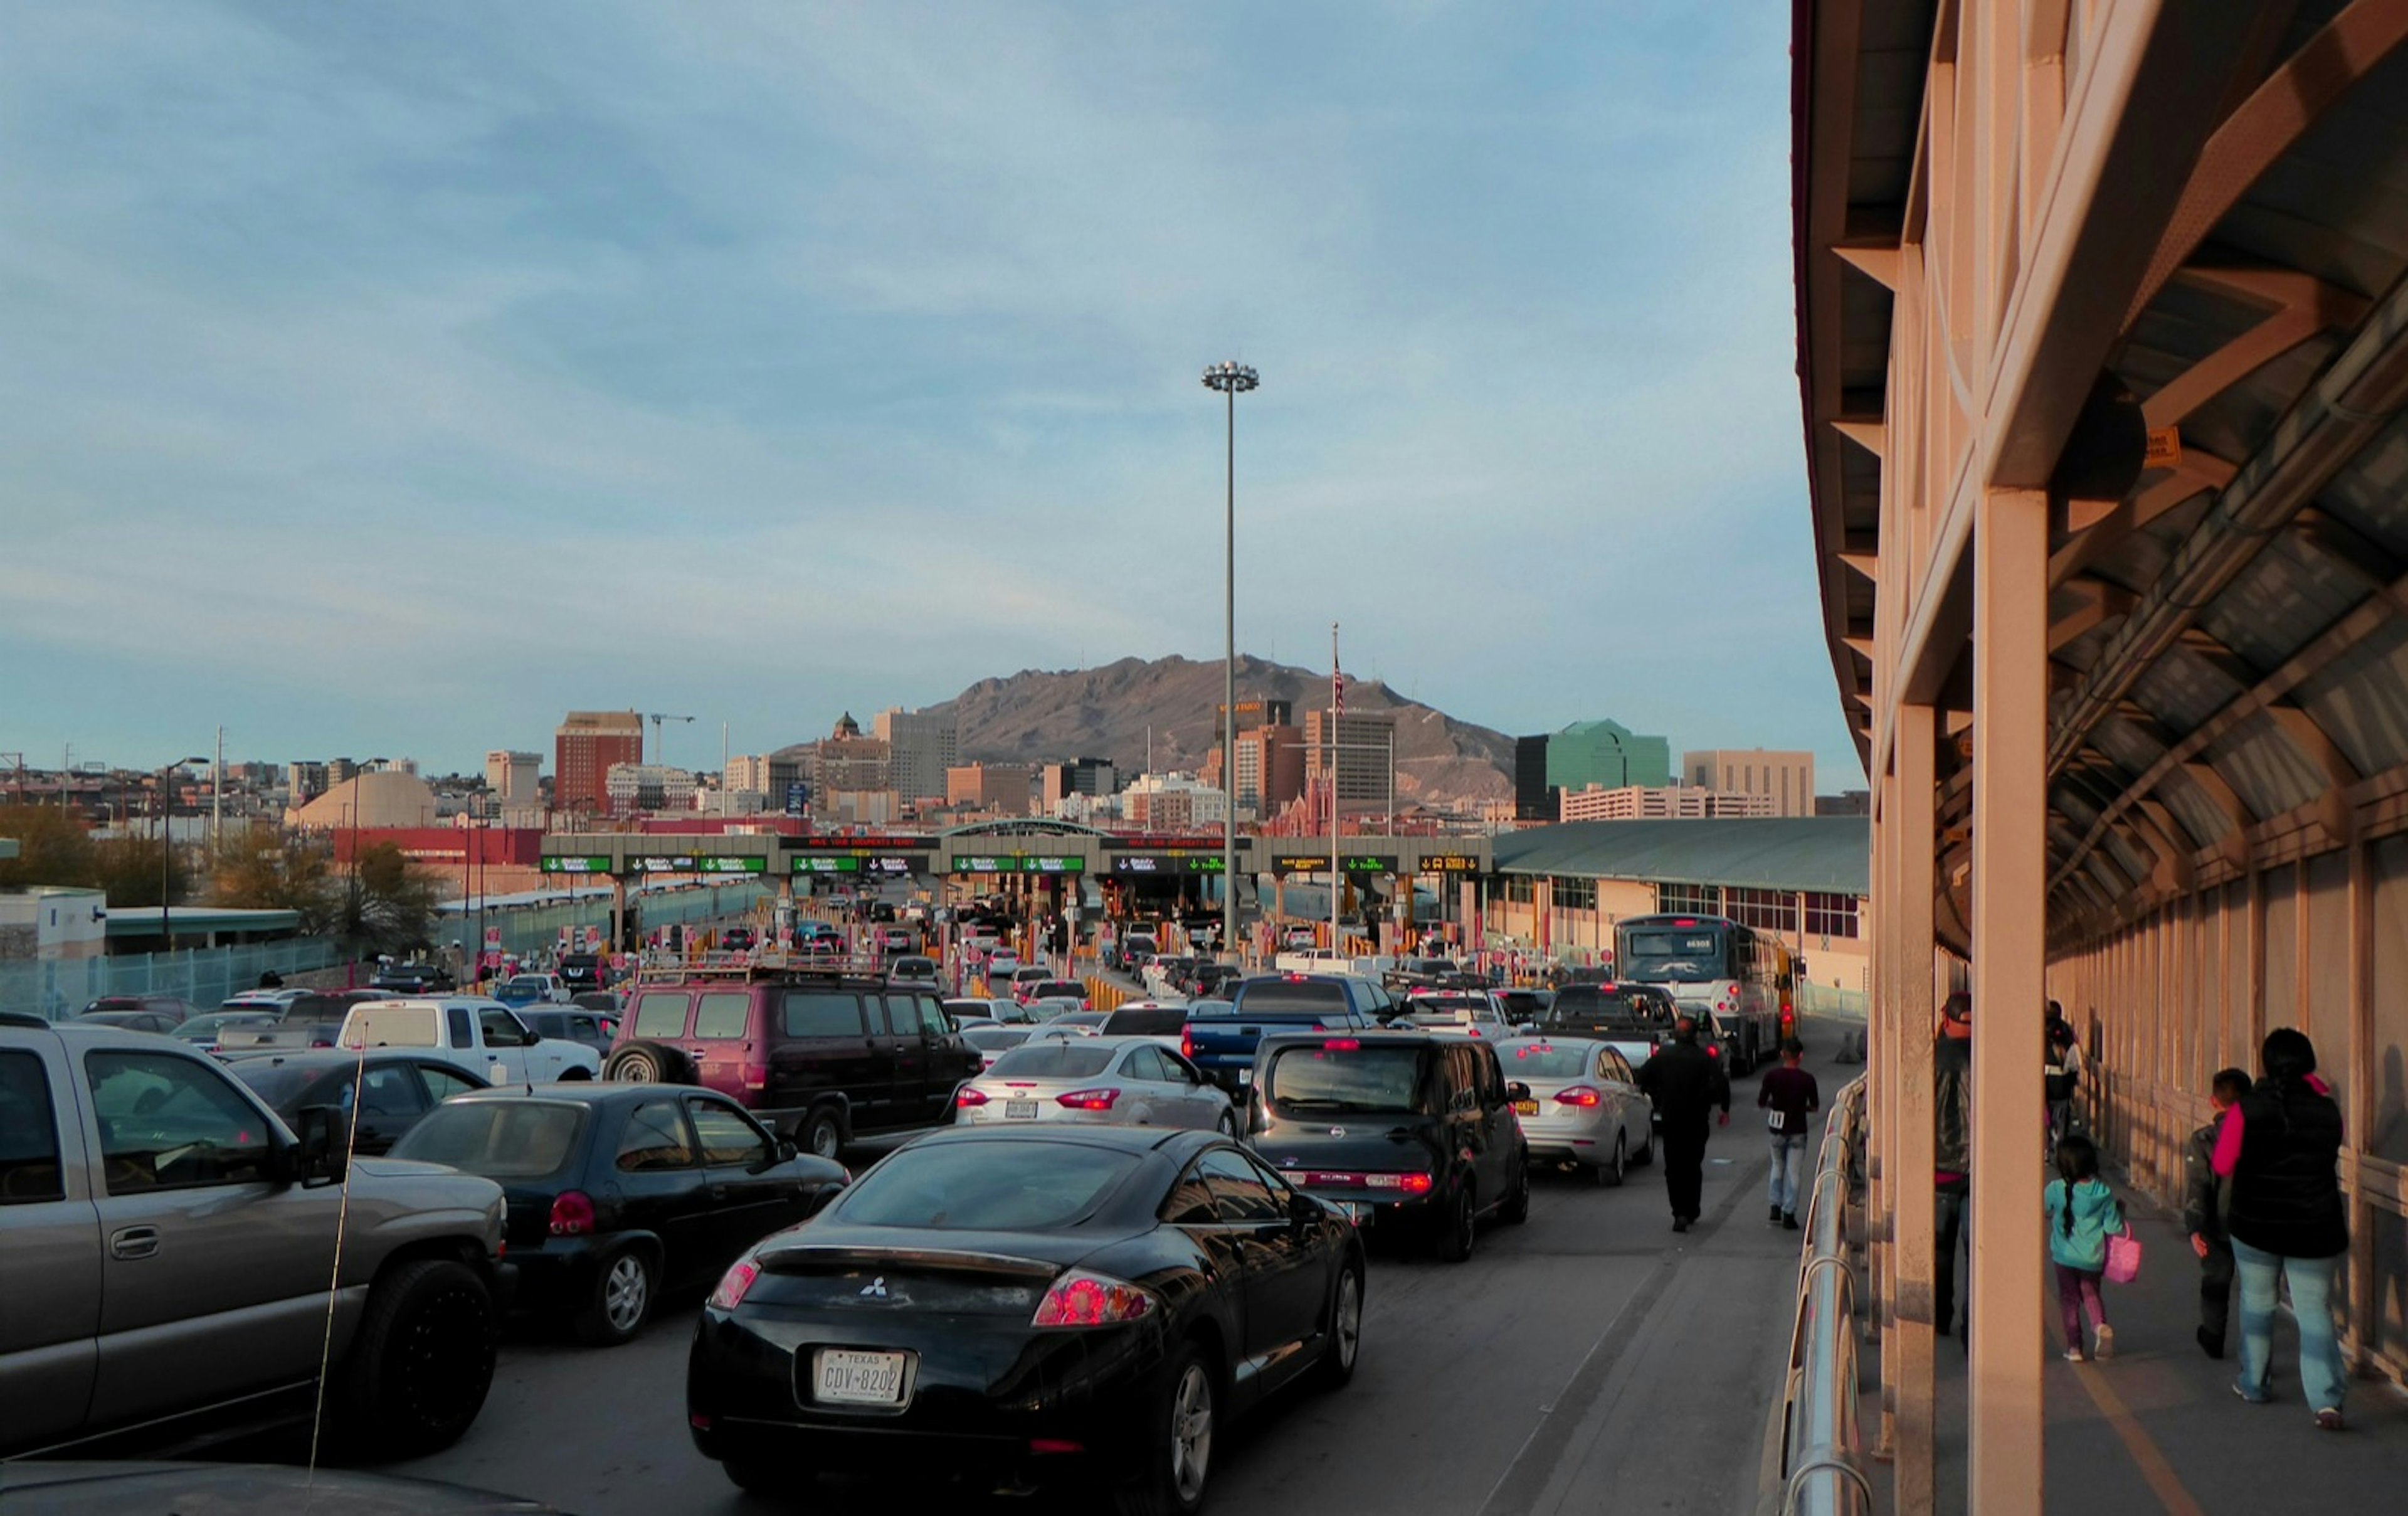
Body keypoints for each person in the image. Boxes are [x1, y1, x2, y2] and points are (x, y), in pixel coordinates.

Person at [2214, 1028, 2350, 1428]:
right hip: (2314, 1227)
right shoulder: (2329, 1112)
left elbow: (2222, 1165)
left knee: (2257, 1303)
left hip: (2256, 1225)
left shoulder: (2246, 1111)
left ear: (2266, 1064)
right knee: (2314, 1311)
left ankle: (2254, 1383)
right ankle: (2326, 1402)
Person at [1635, 1014, 1731, 1232]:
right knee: (1692, 1165)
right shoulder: (1703, 1058)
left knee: (1673, 1166)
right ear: (1696, 1035)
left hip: (1671, 1119)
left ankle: (1678, 1211)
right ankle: (1691, 1208)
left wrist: (1655, 1095)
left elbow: (1641, 1077)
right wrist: (1724, 1109)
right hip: (1697, 1119)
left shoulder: (1663, 1056)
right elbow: (1721, 1083)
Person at [2185, 1067, 2251, 1359]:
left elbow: (2199, 1185)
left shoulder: (2203, 1140)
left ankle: (2213, 1336)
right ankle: (2255, 1354)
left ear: (2214, 1102)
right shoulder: (2263, 1137)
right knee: (2256, 1292)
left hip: (2216, 1225)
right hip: (2256, 1227)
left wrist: (2194, 1227)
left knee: (2215, 1282)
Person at [2045, 1133, 2126, 1362]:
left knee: (2069, 1300)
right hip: (2093, 1257)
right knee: (2091, 1294)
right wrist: (2120, 1211)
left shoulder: (2056, 1189)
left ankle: (2075, 1347)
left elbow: (2040, 1207)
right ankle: (2099, 1325)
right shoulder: (2104, 1192)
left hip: (2064, 1256)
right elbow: (2113, 1227)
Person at [1933, 992, 1973, 1342]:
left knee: (1941, 1250)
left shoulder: (1929, 1057)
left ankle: (1940, 1316)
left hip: (1938, 1170)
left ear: (1946, 1019)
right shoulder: (1990, 1057)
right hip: (1979, 1172)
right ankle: (1971, 1326)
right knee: (1976, 1252)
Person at [1757, 1037, 1820, 1229]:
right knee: (1794, 1172)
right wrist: (1801, 1108)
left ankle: (1774, 1206)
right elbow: (1815, 1107)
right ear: (1800, 1056)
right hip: (1798, 1129)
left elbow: (1762, 1102)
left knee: (1777, 1166)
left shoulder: (1771, 1076)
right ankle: (1789, 1213)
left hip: (1777, 1128)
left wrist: (1774, 1105)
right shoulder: (1807, 1079)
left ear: (1782, 1054)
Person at [2044, 1001, 2084, 1156]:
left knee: (2045, 1114)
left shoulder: (2040, 1027)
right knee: (2062, 1113)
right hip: (2064, 1080)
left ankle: (2046, 1147)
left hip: (2045, 1079)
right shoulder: (2066, 1029)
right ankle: (2061, 1145)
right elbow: (2075, 1052)